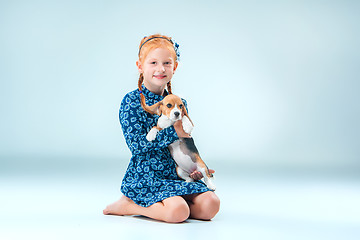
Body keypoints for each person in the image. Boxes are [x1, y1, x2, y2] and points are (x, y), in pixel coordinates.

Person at [103, 34, 220, 223]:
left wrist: (194, 166)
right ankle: (129, 205)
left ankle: (170, 202)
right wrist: (174, 131)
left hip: (176, 172)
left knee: (211, 205)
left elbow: (184, 142)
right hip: (147, 173)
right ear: (140, 66)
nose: (161, 68)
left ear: (175, 67)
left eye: (167, 63)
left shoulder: (178, 103)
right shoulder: (131, 101)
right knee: (179, 212)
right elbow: (137, 146)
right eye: (153, 63)